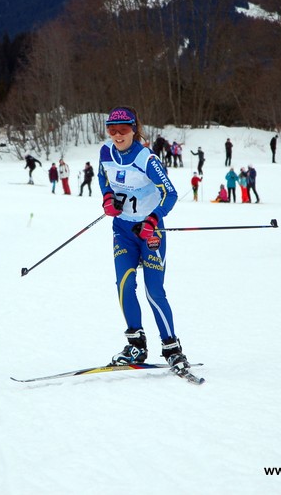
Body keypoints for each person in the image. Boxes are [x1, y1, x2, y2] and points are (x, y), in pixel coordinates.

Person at [98, 106, 190, 373]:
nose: (117, 135)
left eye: (123, 130)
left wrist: (153, 218)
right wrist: (107, 199)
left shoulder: (146, 159)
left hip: (150, 233)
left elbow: (170, 193)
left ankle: (171, 346)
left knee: (154, 291)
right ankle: (135, 344)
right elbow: (105, 181)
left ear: (134, 129)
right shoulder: (106, 153)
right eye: (111, 130)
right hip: (123, 231)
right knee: (124, 285)